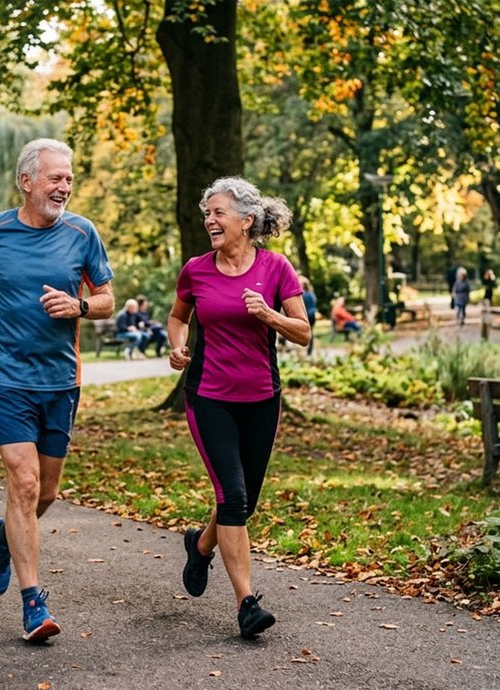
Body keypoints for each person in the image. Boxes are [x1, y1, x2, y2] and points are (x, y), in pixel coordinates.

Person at [0, 138, 115, 643]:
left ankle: (2, 536)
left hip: (61, 380)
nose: (64, 187)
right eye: (54, 178)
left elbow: (107, 298)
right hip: (6, 378)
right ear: (27, 181)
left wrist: (80, 307)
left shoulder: (83, 233)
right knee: (22, 484)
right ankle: (33, 604)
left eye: (68, 179)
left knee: (45, 492)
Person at [165, 176, 310, 639]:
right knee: (233, 496)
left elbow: (304, 331)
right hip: (209, 397)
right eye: (207, 212)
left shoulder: (276, 268)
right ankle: (247, 602)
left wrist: (268, 315)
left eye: (218, 212)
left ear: (247, 221)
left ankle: (201, 545)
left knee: (243, 503)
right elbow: (177, 317)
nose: (209, 220)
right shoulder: (196, 270)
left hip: (262, 398)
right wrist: (177, 346)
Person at [300, 276, 317, 355]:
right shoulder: (311, 294)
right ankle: (309, 351)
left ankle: (306, 351)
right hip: (312, 315)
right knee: (310, 332)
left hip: (307, 315)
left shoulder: (303, 295)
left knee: (306, 333)